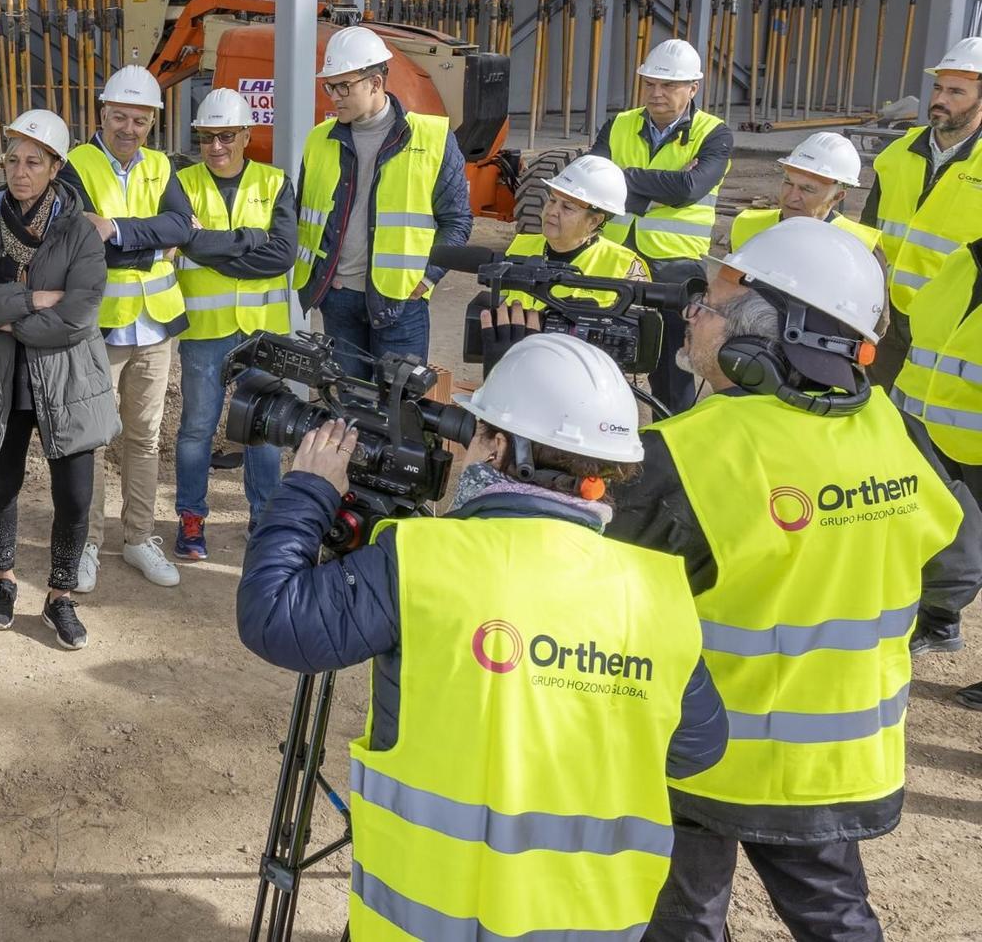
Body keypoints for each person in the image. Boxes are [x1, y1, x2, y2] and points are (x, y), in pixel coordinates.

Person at [238, 333, 727, 941]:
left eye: (476, 433)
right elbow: (698, 749)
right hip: (594, 924)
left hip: (427, 921)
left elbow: (275, 619)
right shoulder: (658, 591)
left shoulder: (422, 559)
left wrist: (309, 489)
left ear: (499, 448)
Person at [602, 218, 971, 942]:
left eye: (707, 304)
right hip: (838, 762)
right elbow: (958, 565)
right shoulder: (890, 430)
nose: (692, 316)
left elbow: (573, 575)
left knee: (682, 922)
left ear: (762, 337)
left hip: (699, 758)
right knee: (835, 919)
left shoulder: (688, 454)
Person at [0, 109, 120, 649]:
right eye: (12, 160)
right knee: (1, 486)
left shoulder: (79, 232)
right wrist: (32, 299)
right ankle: (3, 579)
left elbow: (79, 316)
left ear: (55, 166)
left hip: (68, 384)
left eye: (33, 162)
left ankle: (60, 595)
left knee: (75, 496)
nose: (20, 172)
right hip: (2, 383)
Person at [59, 64, 194, 591]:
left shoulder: (162, 166)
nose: (129, 129)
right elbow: (78, 239)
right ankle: (86, 542)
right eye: (120, 117)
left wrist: (117, 230)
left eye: (141, 120)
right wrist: (153, 242)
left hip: (156, 326)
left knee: (145, 439)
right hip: (101, 328)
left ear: (152, 123)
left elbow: (182, 226)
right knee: (91, 439)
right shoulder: (75, 166)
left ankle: (138, 537)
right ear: (102, 113)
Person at [292, 24, 472, 368]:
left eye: (343, 86)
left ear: (376, 83)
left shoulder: (432, 137)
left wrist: (428, 277)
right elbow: (303, 210)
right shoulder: (320, 139)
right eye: (330, 86)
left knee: (398, 409)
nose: (335, 96)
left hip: (401, 303)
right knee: (346, 407)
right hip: (338, 299)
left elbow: (457, 220)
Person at [171, 87, 295, 559]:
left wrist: (216, 248)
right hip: (205, 332)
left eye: (226, 135)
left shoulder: (275, 182)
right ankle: (191, 519)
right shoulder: (182, 184)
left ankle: (263, 519)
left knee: (263, 427)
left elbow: (281, 255)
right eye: (206, 137)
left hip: (263, 331)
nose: (216, 146)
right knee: (197, 428)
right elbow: (190, 245)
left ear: (246, 134)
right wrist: (249, 240)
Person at [589, 37, 734, 415]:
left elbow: (689, 188)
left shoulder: (714, 134)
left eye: (668, 85)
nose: (656, 93)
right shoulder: (619, 124)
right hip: (612, 258)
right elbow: (593, 181)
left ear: (693, 88)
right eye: (650, 83)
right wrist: (660, 187)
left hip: (676, 267)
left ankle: (669, 445)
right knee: (598, 353)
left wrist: (623, 180)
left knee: (672, 368)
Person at [866, 36, 982, 389]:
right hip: (886, 319)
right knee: (876, 415)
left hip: (953, 325)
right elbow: (867, 231)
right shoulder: (898, 153)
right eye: (937, 88)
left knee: (929, 422)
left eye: (956, 92)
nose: (940, 100)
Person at [891, 234, 982, 668]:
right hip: (927, 424)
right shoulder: (966, 259)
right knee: (935, 532)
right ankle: (939, 620)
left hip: (971, 435)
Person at [499, 153, 647, 303]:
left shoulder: (624, 267)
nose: (552, 211)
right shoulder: (520, 247)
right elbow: (499, 305)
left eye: (567, 207)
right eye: (552, 200)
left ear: (594, 221)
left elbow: (640, 323)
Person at [729, 130, 878, 252]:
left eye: (807, 189)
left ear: (837, 197)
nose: (792, 197)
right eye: (788, 182)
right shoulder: (748, 225)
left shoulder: (860, 246)